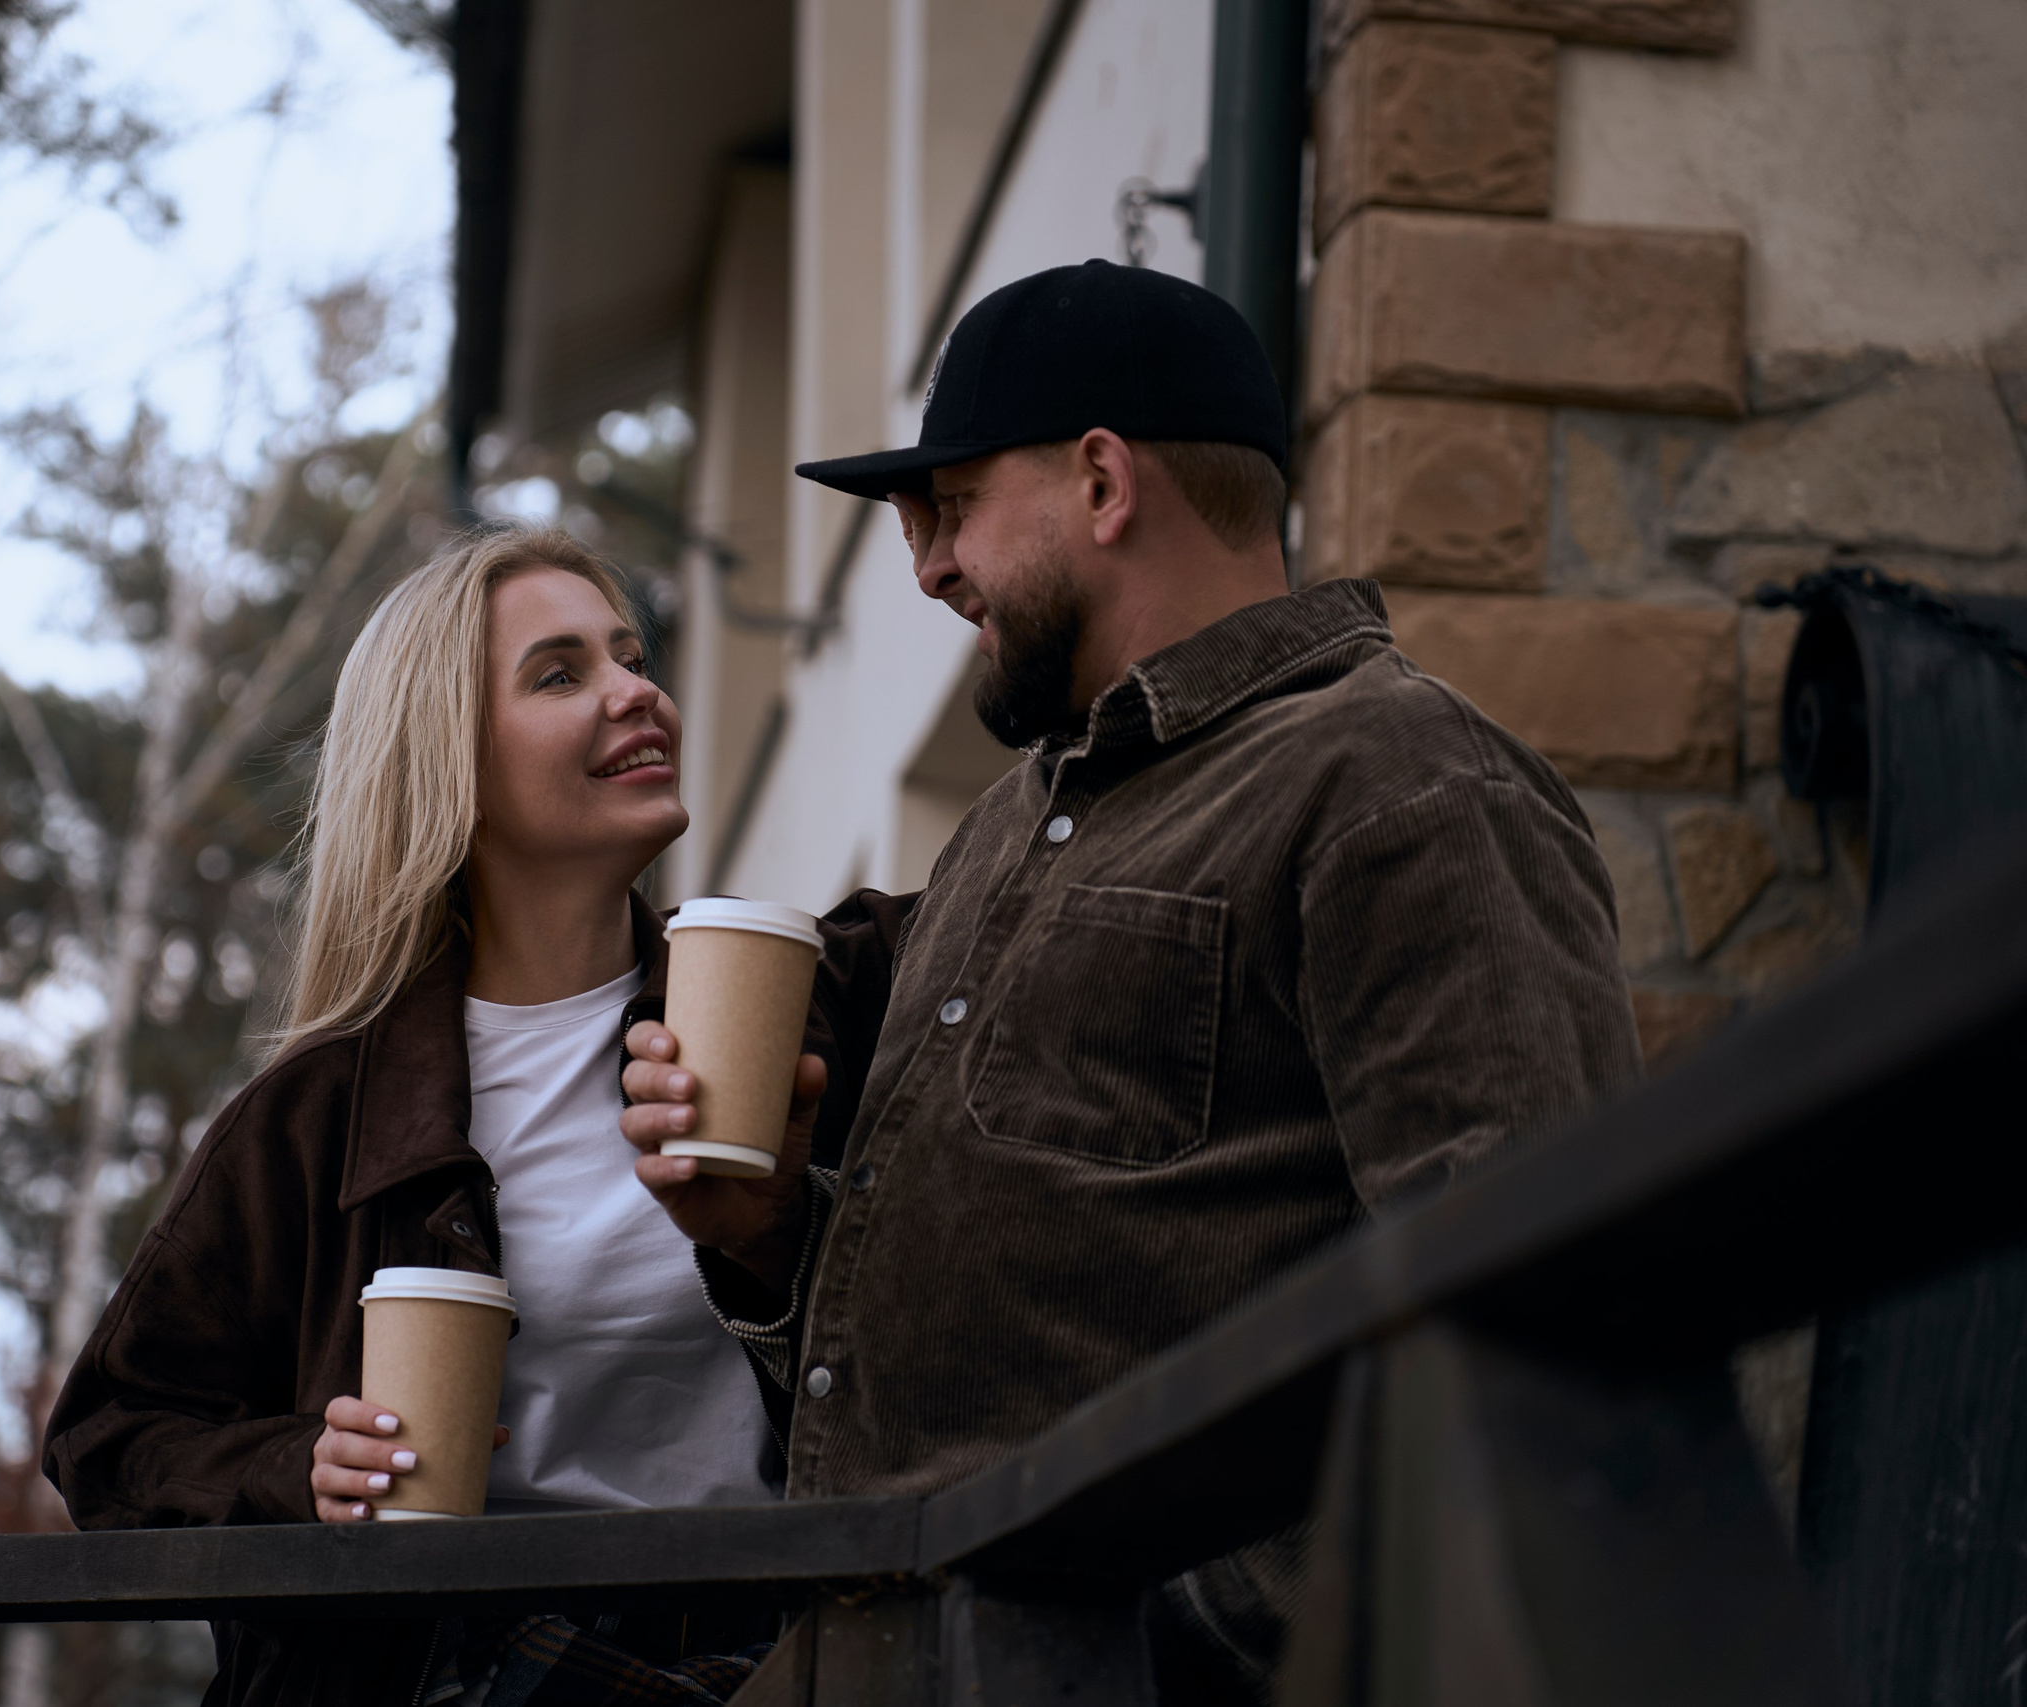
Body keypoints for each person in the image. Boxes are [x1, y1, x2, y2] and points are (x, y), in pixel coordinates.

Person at [619, 260, 1643, 1701]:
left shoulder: (1403, 780)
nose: (924, 566)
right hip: (880, 1639)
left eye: (950, 506)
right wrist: (772, 1235)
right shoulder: (999, 830)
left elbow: (1542, 1321)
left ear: (1103, 482)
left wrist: (1177, 1628)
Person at [44, 527, 788, 1707]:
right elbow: (110, 1437)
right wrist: (303, 1468)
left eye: (630, 655)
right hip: (460, 1666)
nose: (635, 691)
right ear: (450, 760)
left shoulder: (792, 1009)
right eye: (560, 673)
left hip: (785, 1631)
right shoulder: (312, 1118)